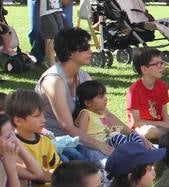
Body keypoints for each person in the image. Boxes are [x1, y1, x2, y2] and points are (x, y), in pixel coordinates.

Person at [37, 28, 114, 160]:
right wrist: (102, 146)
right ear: (69, 53)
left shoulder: (83, 76)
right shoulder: (54, 81)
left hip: (83, 137)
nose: (90, 51)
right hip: (58, 141)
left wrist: (132, 133)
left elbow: (102, 112)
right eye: (84, 48)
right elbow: (67, 126)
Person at [7, 90, 60, 187]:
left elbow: (56, 166)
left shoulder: (45, 141)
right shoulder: (12, 145)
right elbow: (25, 174)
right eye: (37, 116)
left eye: (43, 114)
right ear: (18, 121)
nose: (43, 119)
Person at [74, 80, 137, 163]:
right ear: (88, 103)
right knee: (119, 138)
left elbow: (107, 128)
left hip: (107, 141)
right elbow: (81, 136)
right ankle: (133, 155)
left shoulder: (101, 113)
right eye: (101, 97)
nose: (105, 99)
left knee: (132, 136)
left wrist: (126, 132)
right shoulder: (86, 114)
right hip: (95, 148)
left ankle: (139, 150)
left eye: (105, 95)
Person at [126, 47, 169, 141]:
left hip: (160, 124)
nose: (161, 66)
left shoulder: (162, 86)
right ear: (144, 69)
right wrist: (164, 124)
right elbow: (136, 122)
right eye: (156, 64)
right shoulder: (134, 91)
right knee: (150, 131)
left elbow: (164, 114)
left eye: (161, 63)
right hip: (142, 128)